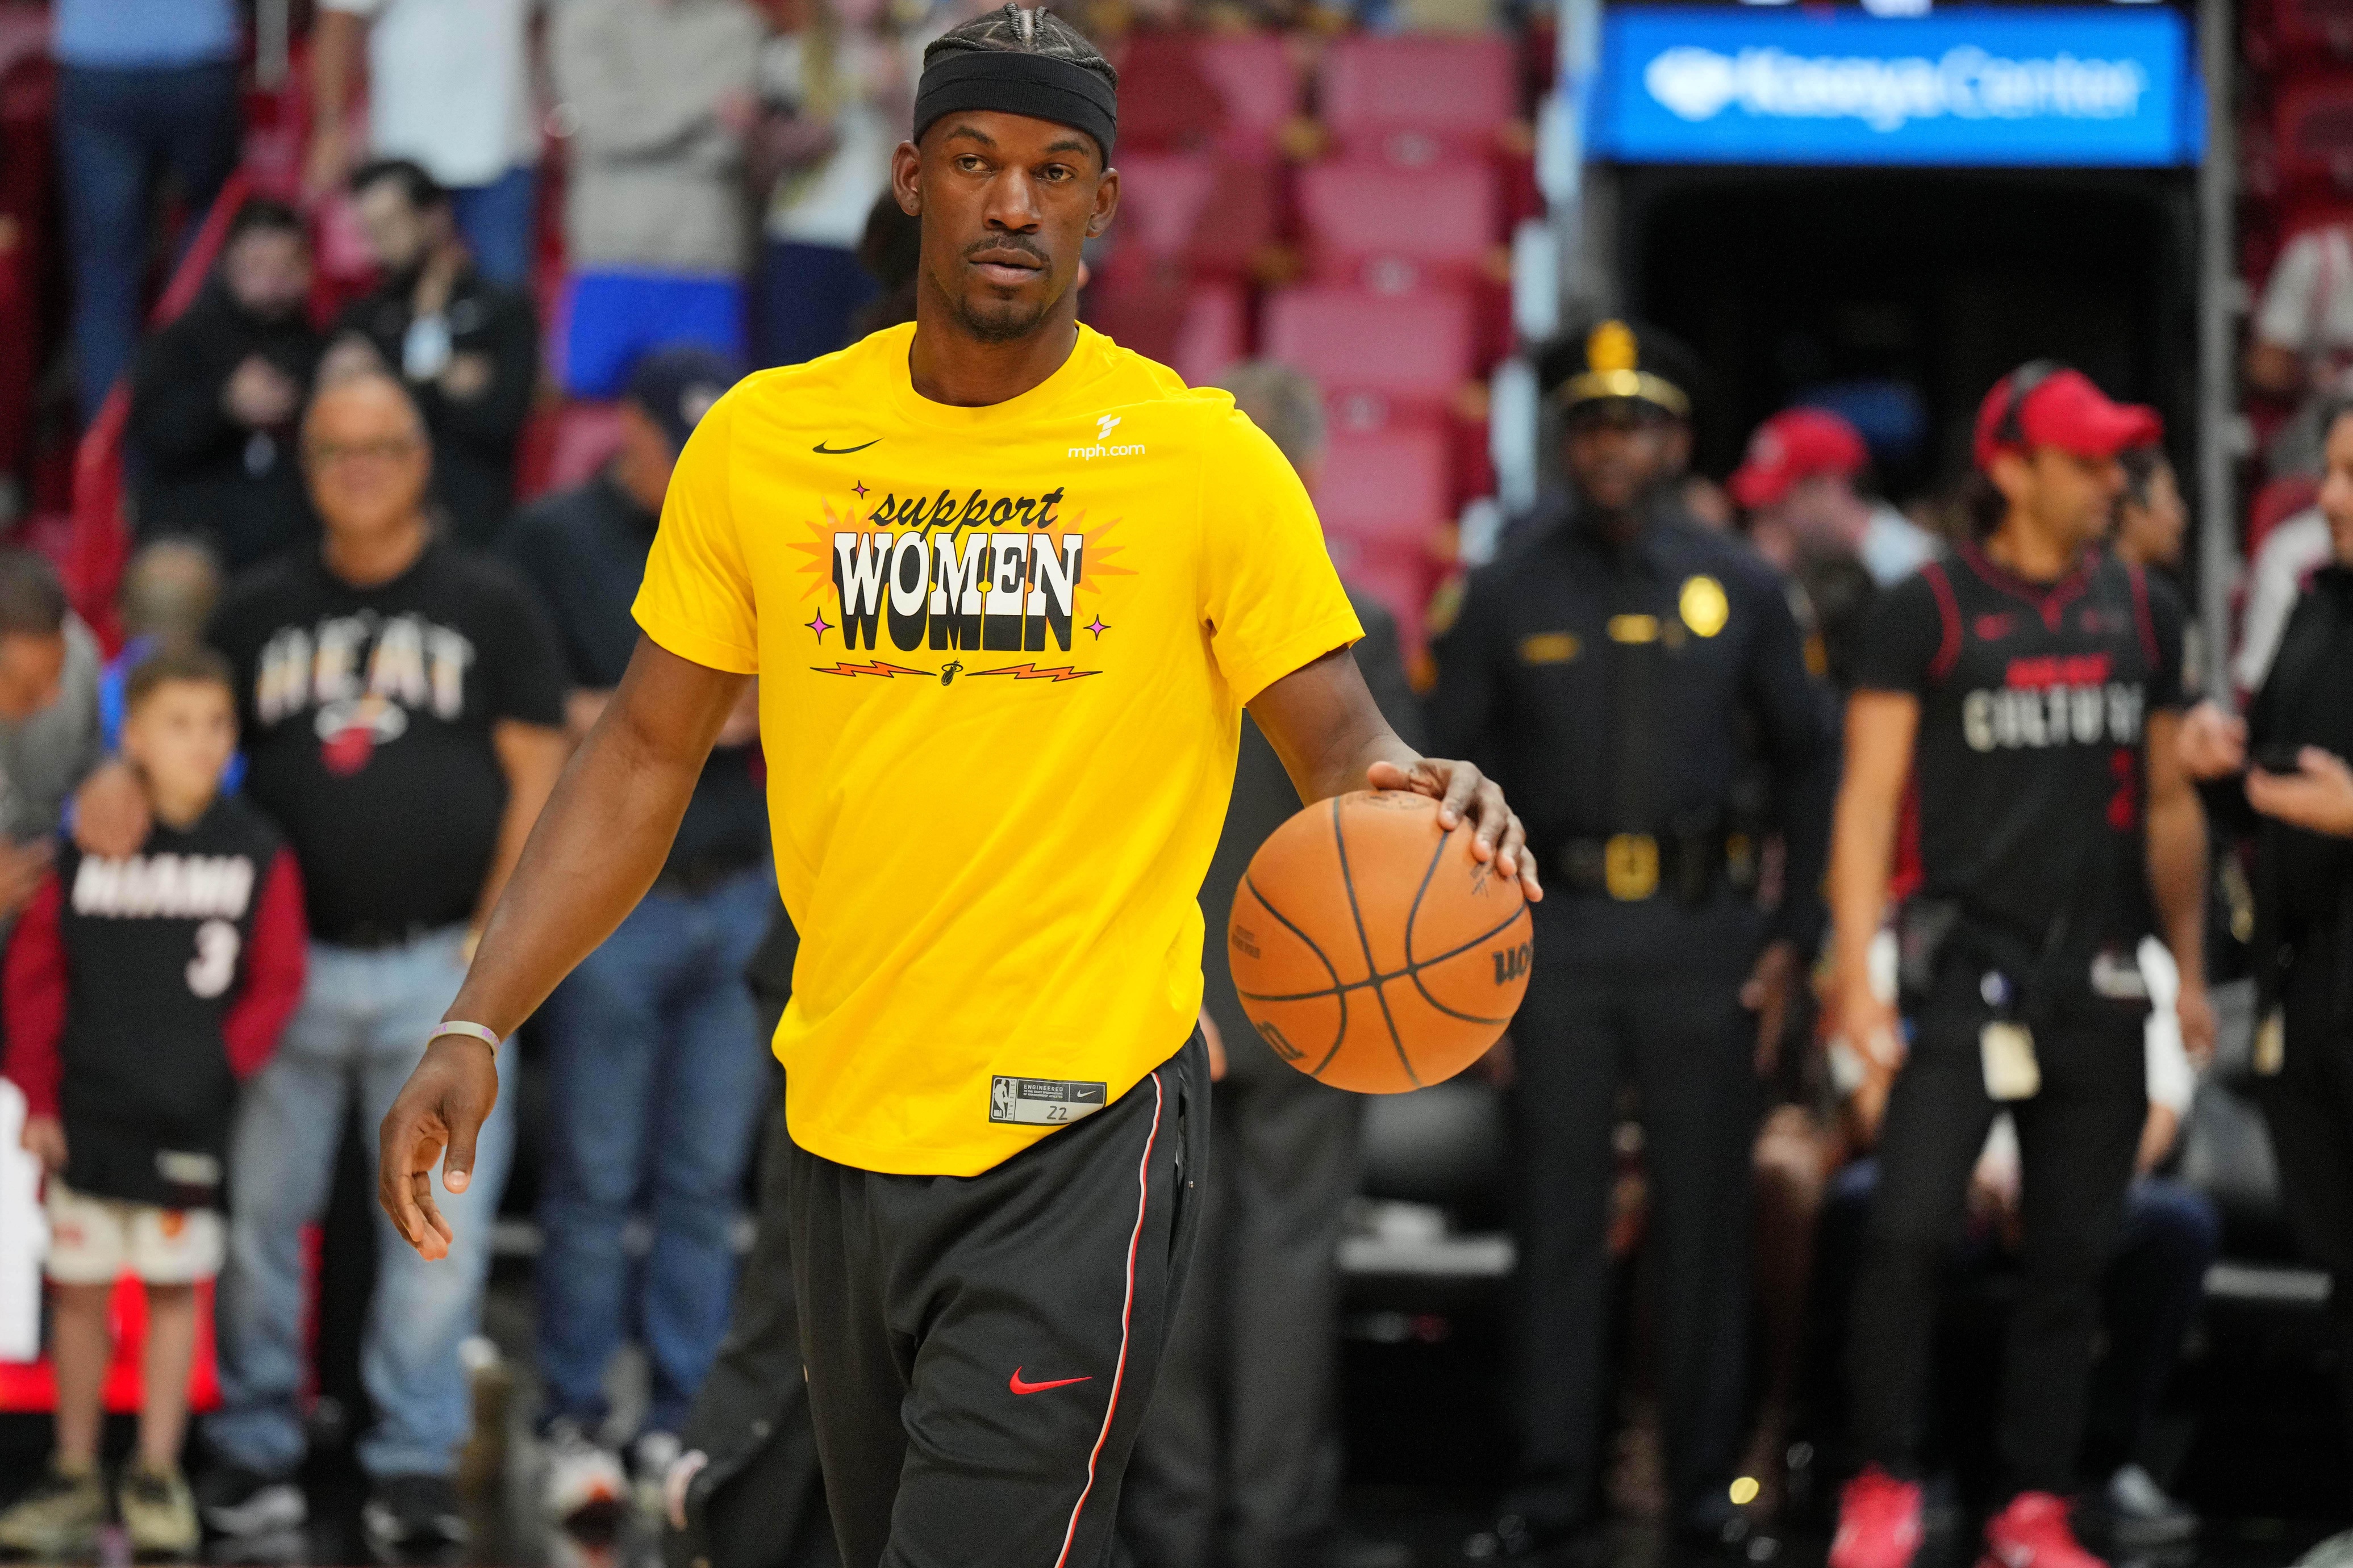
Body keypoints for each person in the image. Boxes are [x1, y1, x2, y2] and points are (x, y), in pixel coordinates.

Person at [375, 14, 1538, 1568]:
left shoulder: (1200, 461)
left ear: (1102, 205)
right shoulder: (767, 445)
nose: (1014, 204)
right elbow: (643, 756)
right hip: (840, 1129)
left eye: (1056, 172)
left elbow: (1335, 742)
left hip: (1081, 1132)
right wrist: (475, 1019)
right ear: (912, 178)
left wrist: (1413, 788)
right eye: (979, 165)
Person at [1432, 320, 1837, 1562]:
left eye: (1635, 423)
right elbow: (1445, 777)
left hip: (1702, 938)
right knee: (1551, 1219)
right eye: (1591, 425)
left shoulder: (1741, 582)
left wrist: (1795, 936)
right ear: (1568, 441)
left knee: (1704, 1221)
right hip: (1547, 939)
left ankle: (1708, 1488)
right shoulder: (1505, 582)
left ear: (1676, 439)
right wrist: (1464, 966)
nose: (1611, 446)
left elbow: (1815, 760)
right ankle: (1550, 1486)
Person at [1825, 362, 2214, 1568]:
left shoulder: (2143, 608)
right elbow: (1866, 798)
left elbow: (2163, 804)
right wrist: (1850, 970)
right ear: (2010, 469)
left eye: (2116, 461)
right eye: (2087, 460)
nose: (2113, 482)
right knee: (1903, 1233)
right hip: (1961, 968)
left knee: (2072, 1253)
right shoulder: (1926, 608)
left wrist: (2190, 967)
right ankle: (1882, 1479)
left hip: (2095, 974)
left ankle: (2032, 1504)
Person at [191, 369, 568, 1554]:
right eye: (333, 450)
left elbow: (538, 776)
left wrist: (491, 953)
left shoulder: (491, 603)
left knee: (431, 1235)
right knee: (261, 1222)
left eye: (381, 447)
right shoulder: (253, 613)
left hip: (435, 979)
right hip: (287, 975)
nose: (358, 468)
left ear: (421, 460)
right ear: (307, 470)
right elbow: (181, 752)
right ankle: (254, 1446)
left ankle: (412, 1460)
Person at [1117, 360, 1423, 1568]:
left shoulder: (1138, 603)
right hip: (1308, 989)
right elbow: (1384, 831)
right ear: (1305, 470)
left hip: (1164, 983)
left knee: (1169, 1261)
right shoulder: (1357, 619)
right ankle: (1277, 1522)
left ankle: (1173, 1519)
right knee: (1290, 1257)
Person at [499, 346, 776, 1523]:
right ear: (628, 433)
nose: (686, 467)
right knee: (596, 1175)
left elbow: (789, 688)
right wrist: (666, 712)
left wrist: (653, 709)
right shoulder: (554, 540)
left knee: (705, 1181)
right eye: (675, 444)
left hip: (737, 885)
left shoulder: (753, 526)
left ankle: (678, 1419)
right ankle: (571, 1411)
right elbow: (532, 709)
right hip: (615, 896)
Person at [0, 645, 306, 1561]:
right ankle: (74, 1469)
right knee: (83, 1296)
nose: (203, 743)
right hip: (87, 1114)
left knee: (175, 1294)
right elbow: (35, 978)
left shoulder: (257, 848)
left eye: (218, 724)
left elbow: (279, 975)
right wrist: (41, 1097)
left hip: (188, 1120)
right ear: (128, 733)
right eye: (178, 724)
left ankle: (158, 1471)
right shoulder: (91, 842)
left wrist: (219, 1064)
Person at [2176, 395, 2353, 1568]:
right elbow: (2289, 781)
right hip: (2313, 996)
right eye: (2330, 470)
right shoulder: (2316, 604)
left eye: (2351, 475)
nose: (2329, 496)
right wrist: (2217, 776)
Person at [550, 0, 766, 399]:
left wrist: (638, 120)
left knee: (706, 423)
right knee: (592, 418)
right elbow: (604, 127)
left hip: (706, 256)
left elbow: (726, 148)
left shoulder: (738, 27)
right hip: (609, 253)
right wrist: (706, 107)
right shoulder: (585, 16)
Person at [331, 160, 540, 549]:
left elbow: (497, 422)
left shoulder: (502, 308)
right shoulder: (363, 318)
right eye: (369, 232)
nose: (378, 246)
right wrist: (438, 371)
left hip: (471, 526)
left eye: (389, 225)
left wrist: (390, 377)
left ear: (435, 216)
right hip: (375, 518)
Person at [52, 0, 243, 423]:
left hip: (97, 61)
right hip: (198, 57)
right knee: (204, 255)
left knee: (106, 281)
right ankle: (189, 433)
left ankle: (110, 465)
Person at [130, 199, 325, 573]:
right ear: (227, 265)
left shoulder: (325, 349)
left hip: (295, 554)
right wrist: (225, 405)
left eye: (287, 267)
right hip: (193, 544)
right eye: (257, 266)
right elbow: (155, 436)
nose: (272, 281)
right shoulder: (179, 343)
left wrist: (306, 404)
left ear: (308, 270)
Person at [307, 0, 541, 290]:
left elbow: (541, 25)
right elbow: (338, 23)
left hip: (502, 148)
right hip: (405, 153)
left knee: (502, 302)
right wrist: (330, 127)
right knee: (403, 301)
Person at [751, 0, 908, 366]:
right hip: (804, 231)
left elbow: (929, 154)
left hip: (885, 236)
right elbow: (759, 171)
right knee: (798, 367)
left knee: (880, 366)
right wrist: (799, 141)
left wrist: (896, 101)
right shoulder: (787, 57)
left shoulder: (919, 54)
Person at [0, 550, 106, 941]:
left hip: (47, 927)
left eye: (55, 674)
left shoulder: (77, 656)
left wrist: (111, 777)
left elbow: (95, 762)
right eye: (28, 689)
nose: (50, 698)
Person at [1731, 407, 1936, 589]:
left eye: (1777, 507)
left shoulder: (1915, 568)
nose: (1764, 528)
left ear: (1824, 488)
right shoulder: (1804, 567)